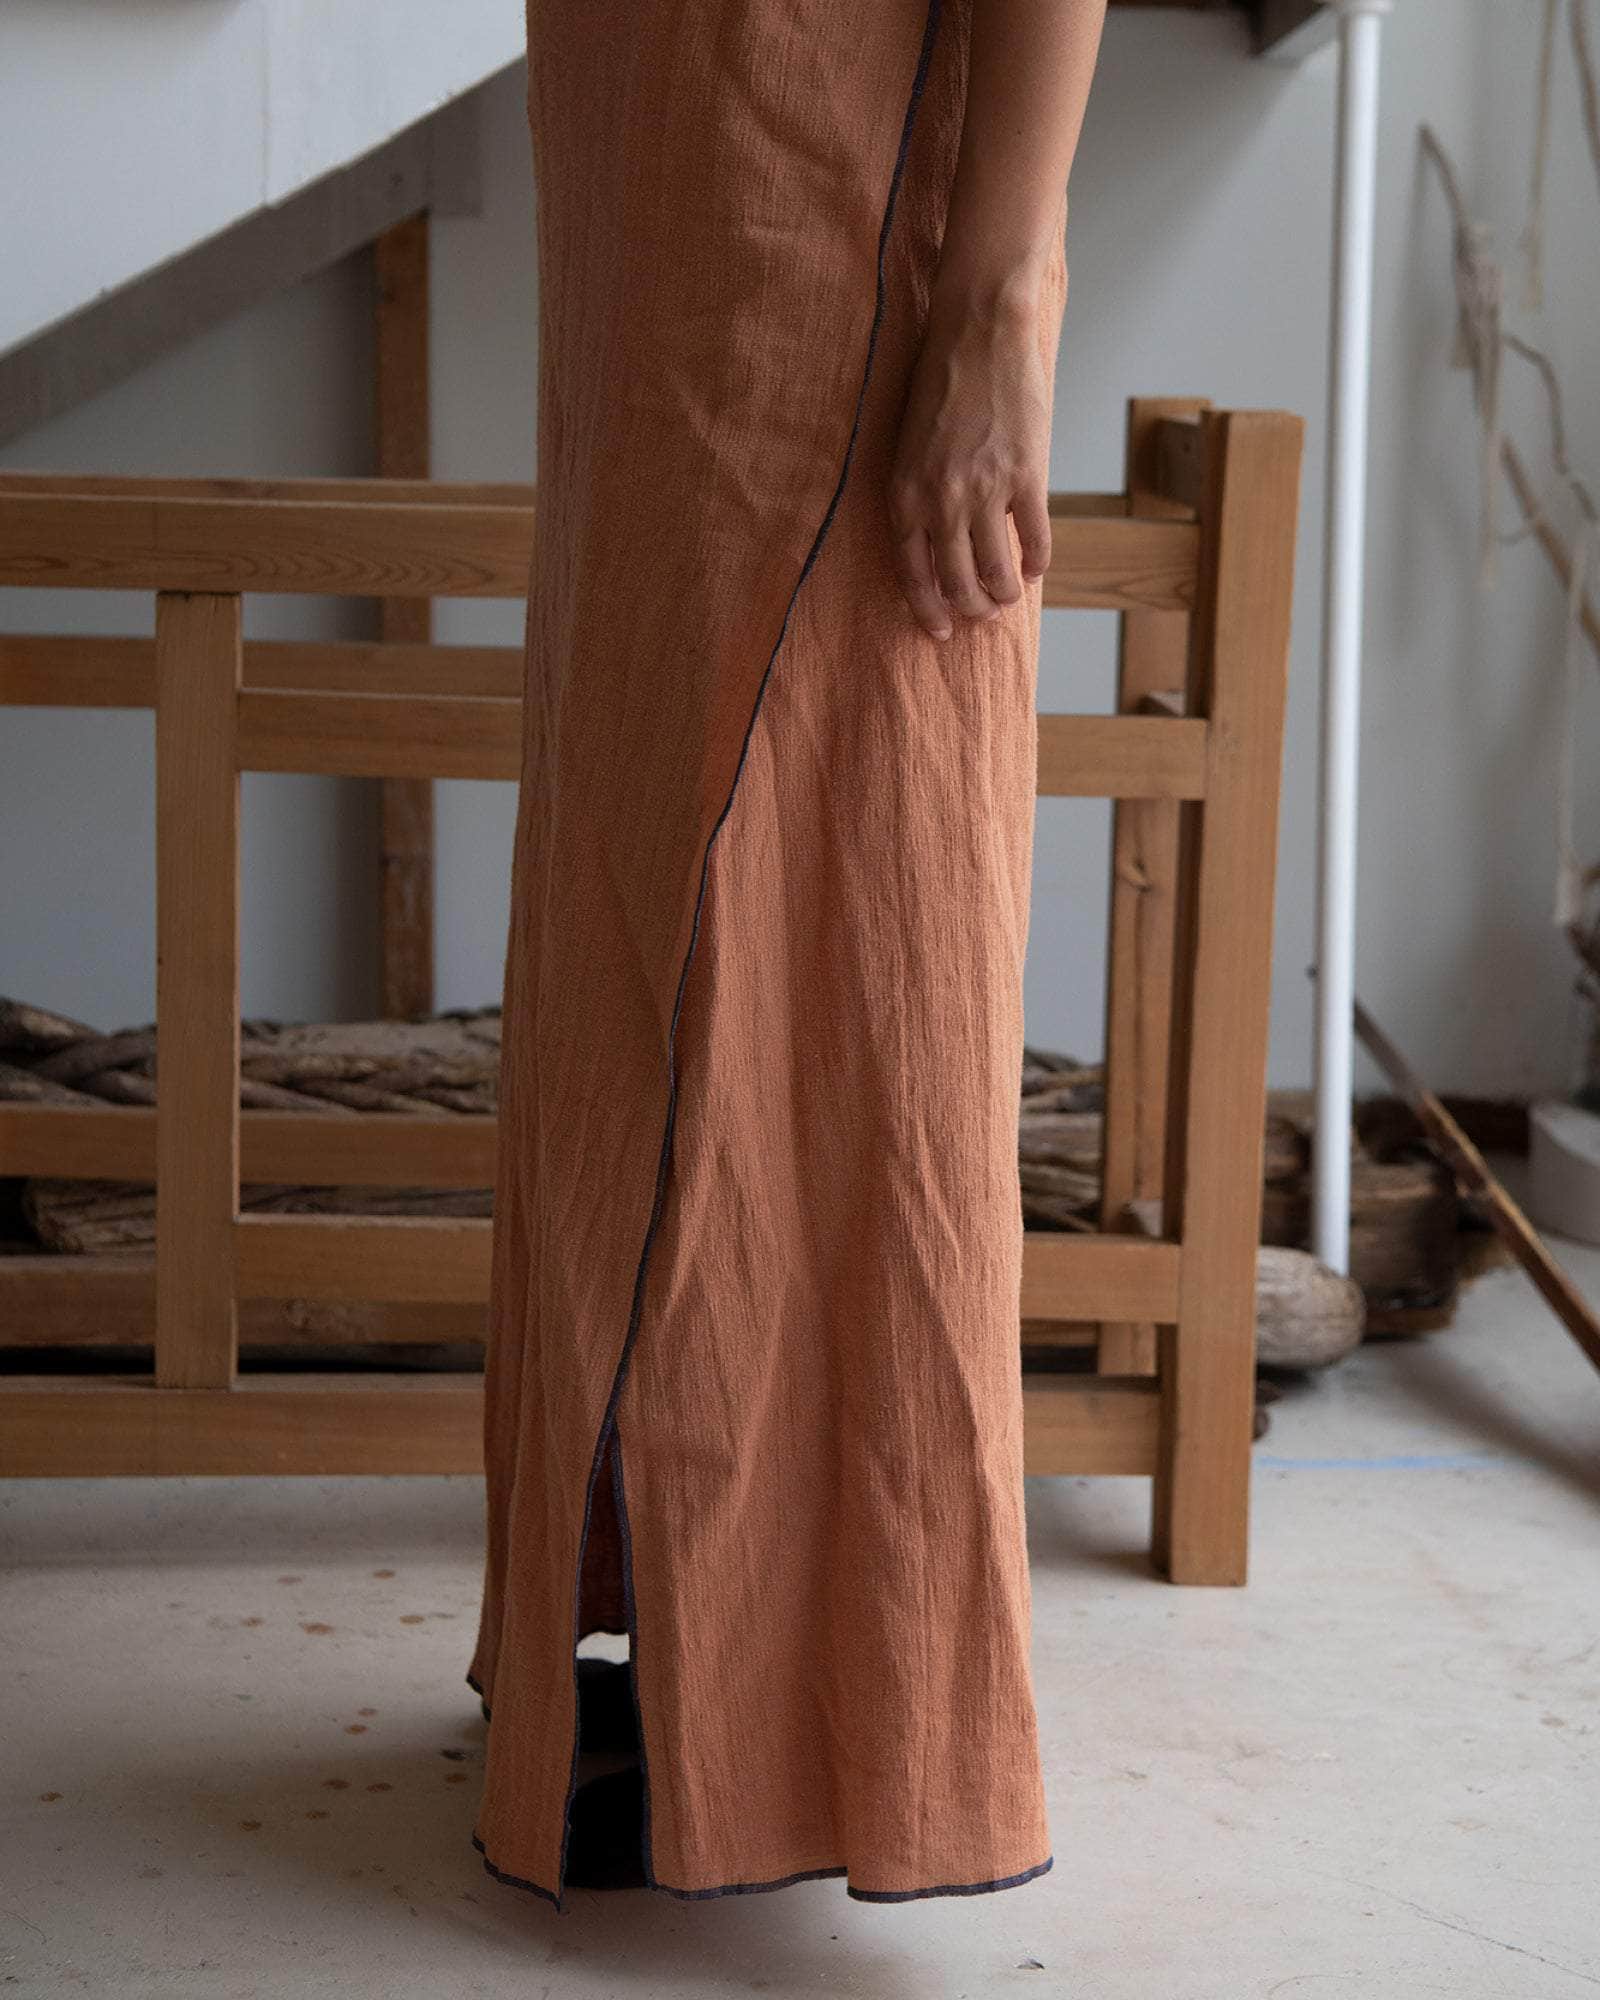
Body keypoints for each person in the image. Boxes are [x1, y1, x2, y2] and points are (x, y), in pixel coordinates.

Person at [468, 0, 1109, 1909]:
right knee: (629, 972)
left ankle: (850, 1721)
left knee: (849, 943)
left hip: (831, 254)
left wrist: (999, 297)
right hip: (665, 255)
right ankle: (676, 1652)